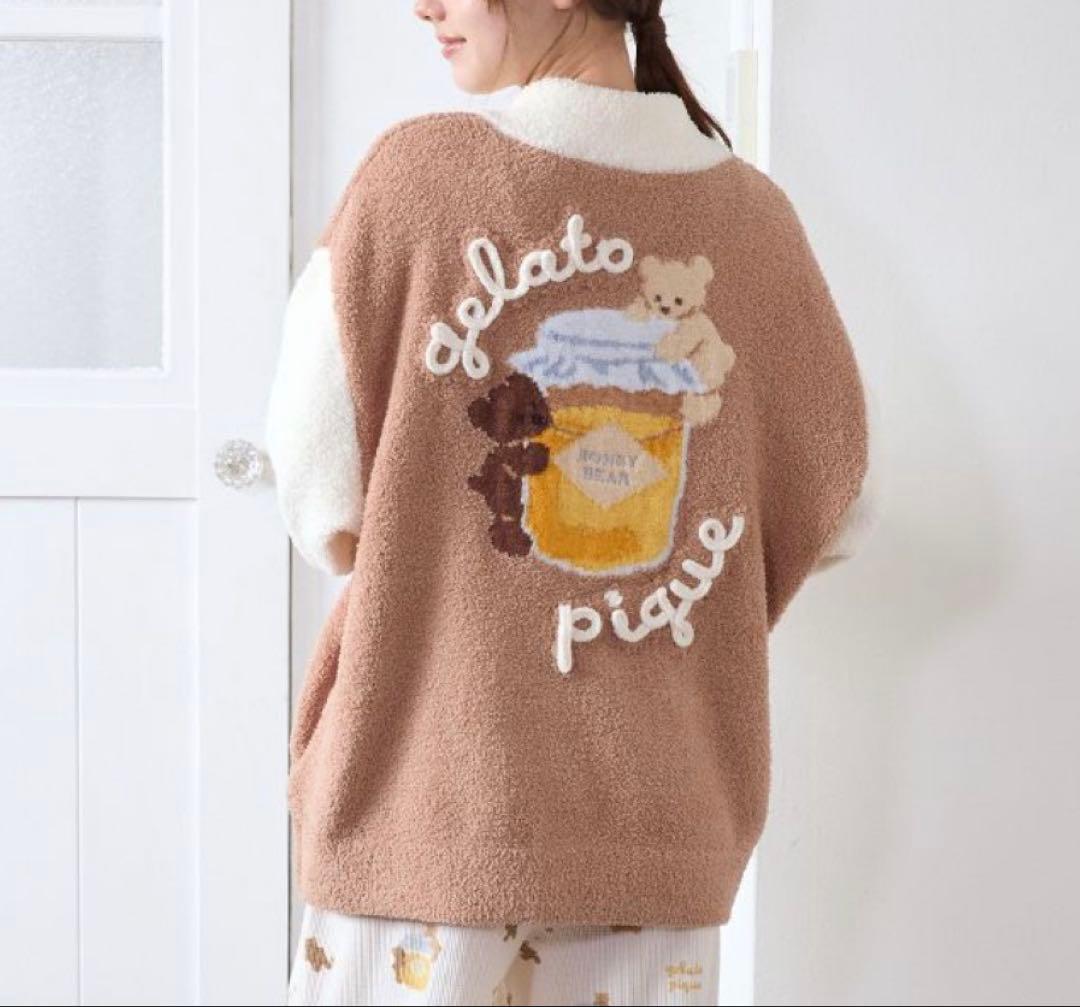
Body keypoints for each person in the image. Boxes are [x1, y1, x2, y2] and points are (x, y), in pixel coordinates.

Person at [265, 0, 881, 1003]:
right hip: (659, 828)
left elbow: (318, 494)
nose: (423, 4)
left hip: (429, 812)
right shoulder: (755, 222)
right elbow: (841, 498)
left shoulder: (418, 180)